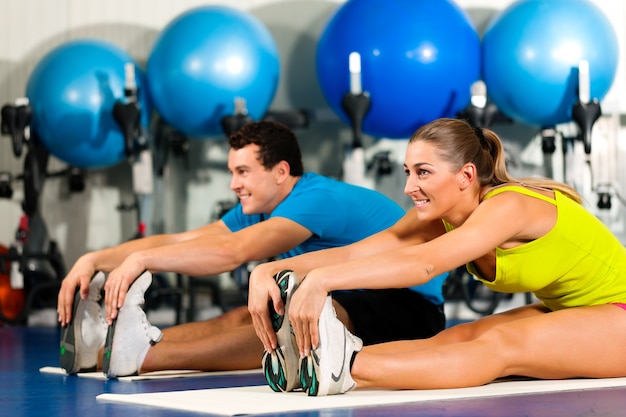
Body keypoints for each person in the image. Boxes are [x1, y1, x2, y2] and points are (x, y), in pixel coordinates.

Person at [249, 117, 626, 397]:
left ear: (466, 175)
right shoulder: (442, 212)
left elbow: (424, 264)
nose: (410, 187)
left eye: (423, 173)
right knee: (460, 336)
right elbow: (356, 252)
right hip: (578, 311)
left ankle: (342, 365)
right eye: (408, 172)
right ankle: (309, 360)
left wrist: (323, 281)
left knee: (502, 346)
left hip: (619, 312)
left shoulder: (509, 206)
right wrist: (273, 268)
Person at [57, 120, 448, 379]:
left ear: (280, 172)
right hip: (347, 295)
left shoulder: (317, 198)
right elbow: (185, 241)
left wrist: (140, 262)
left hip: (408, 308)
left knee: (292, 322)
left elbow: (232, 252)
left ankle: (145, 358)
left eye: (243, 172)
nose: (233, 184)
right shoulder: (263, 205)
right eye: (232, 172)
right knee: (245, 316)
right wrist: (96, 259)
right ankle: (116, 347)